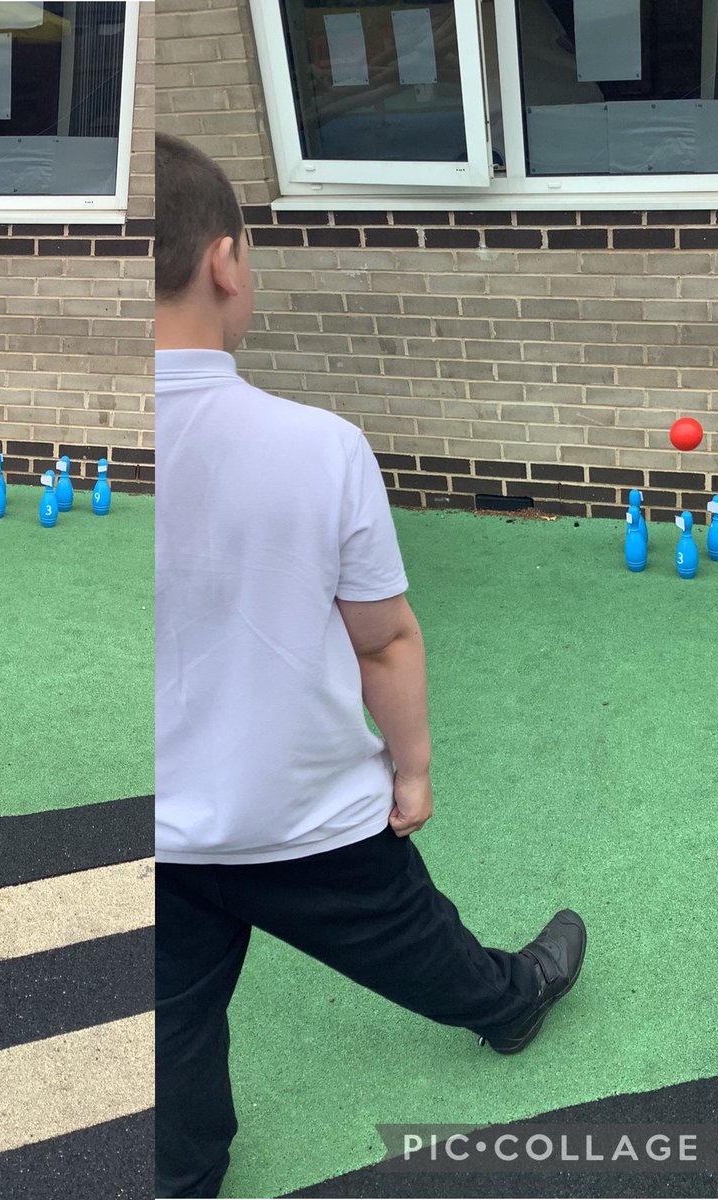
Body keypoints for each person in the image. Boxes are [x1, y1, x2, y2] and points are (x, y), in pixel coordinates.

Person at [153, 132, 586, 1199]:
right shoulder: (319, 446)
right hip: (298, 812)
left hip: (152, 824)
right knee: (411, 935)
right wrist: (414, 768)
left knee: (166, 1024)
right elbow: (384, 636)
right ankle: (512, 1003)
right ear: (225, 263)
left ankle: (179, 1177)